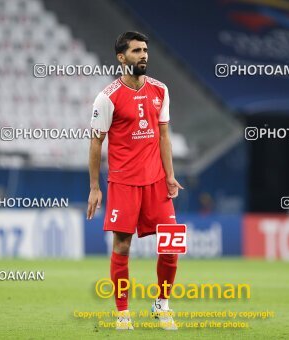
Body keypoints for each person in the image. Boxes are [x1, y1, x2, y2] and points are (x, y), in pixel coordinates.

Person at [86, 31, 183, 330]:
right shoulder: (107, 97)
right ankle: (122, 312)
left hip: (155, 181)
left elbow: (164, 135)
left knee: (171, 245)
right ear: (121, 57)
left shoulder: (160, 90)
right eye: (137, 51)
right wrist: (94, 188)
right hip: (124, 183)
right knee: (122, 246)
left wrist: (170, 175)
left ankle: (162, 304)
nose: (144, 55)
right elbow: (95, 142)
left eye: (145, 50)